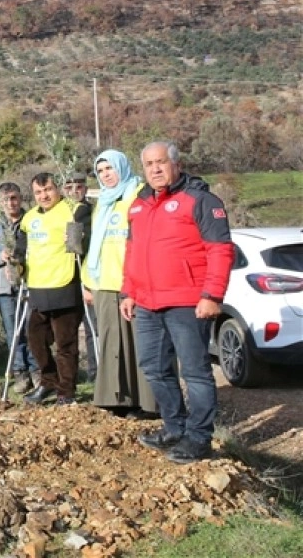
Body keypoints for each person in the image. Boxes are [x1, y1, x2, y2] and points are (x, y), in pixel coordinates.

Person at [121, 141, 233, 464]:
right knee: (154, 368)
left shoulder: (200, 200)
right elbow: (133, 252)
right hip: (146, 303)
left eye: (161, 162)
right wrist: (129, 291)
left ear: (176, 164)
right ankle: (174, 427)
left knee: (196, 372)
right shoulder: (139, 204)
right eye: (149, 164)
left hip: (189, 302)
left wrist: (212, 295)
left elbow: (220, 250)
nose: (155, 169)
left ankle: (199, 438)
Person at [84, 150, 156, 418]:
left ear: (122, 167)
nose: (106, 175)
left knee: (141, 343)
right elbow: (96, 246)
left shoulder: (138, 196)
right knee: (112, 344)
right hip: (105, 284)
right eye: (101, 171)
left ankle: (148, 403)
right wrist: (88, 282)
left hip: (134, 284)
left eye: (110, 168)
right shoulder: (102, 203)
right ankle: (117, 399)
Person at [14, 173, 91, 405]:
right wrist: (15, 262)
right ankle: (48, 382)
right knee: (35, 339)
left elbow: (85, 242)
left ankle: (66, 391)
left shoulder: (74, 210)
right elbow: (21, 248)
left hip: (65, 285)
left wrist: (78, 239)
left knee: (65, 344)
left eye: (48, 190)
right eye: (38, 192)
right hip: (38, 286)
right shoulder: (28, 218)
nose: (44, 196)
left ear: (57, 189)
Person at [0, 182, 38, 394]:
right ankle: (20, 372)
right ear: (0, 202)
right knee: (13, 331)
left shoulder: (32, 219)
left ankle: (37, 369)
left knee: (32, 328)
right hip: (3, 284)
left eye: (14, 198)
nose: (11, 203)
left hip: (29, 281)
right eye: (6, 199)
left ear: (20, 198)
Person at [64, 170, 97, 382]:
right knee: (66, 331)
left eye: (79, 187)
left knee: (93, 329)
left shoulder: (93, 211)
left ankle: (96, 374)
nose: (74, 191)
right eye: (69, 187)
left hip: (87, 276)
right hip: (64, 278)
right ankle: (69, 376)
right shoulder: (59, 212)